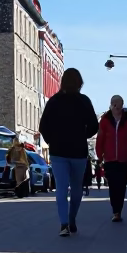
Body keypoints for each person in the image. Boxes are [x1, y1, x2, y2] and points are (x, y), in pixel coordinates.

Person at [38, 67, 99, 236]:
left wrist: (52, 140)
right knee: (77, 188)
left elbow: (43, 126)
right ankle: (72, 218)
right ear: (80, 83)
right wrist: (83, 135)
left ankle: (63, 223)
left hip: (58, 151)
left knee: (62, 188)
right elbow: (94, 126)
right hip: (78, 151)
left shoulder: (54, 101)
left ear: (62, 82)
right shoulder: (84, 101)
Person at [95, 95, 127, 222]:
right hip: (109, 158)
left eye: (118, 103)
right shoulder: (105, 120)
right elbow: (100, 138)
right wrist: (100, 154)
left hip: (124, 158)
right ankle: (115, 210)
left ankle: (118, 210)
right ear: (110, 104)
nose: (116, 106)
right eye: (113, 103)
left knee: (121, 184)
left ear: (122, 104)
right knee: (113, 184)